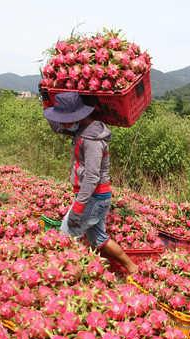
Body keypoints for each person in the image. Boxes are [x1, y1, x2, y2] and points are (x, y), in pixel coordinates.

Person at [42, 91, 138, 274]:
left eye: (64, 119)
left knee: (65, 237)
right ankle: (133, 269)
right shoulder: (83, 129)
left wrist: (78, 208)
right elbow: (58, 128)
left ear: (77, 116)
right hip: (95, 198)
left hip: (93, 198)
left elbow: (92, 177)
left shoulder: (92, 140)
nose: (62, 123)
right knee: (99, 240)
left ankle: (67, 277)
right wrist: (47, 102)